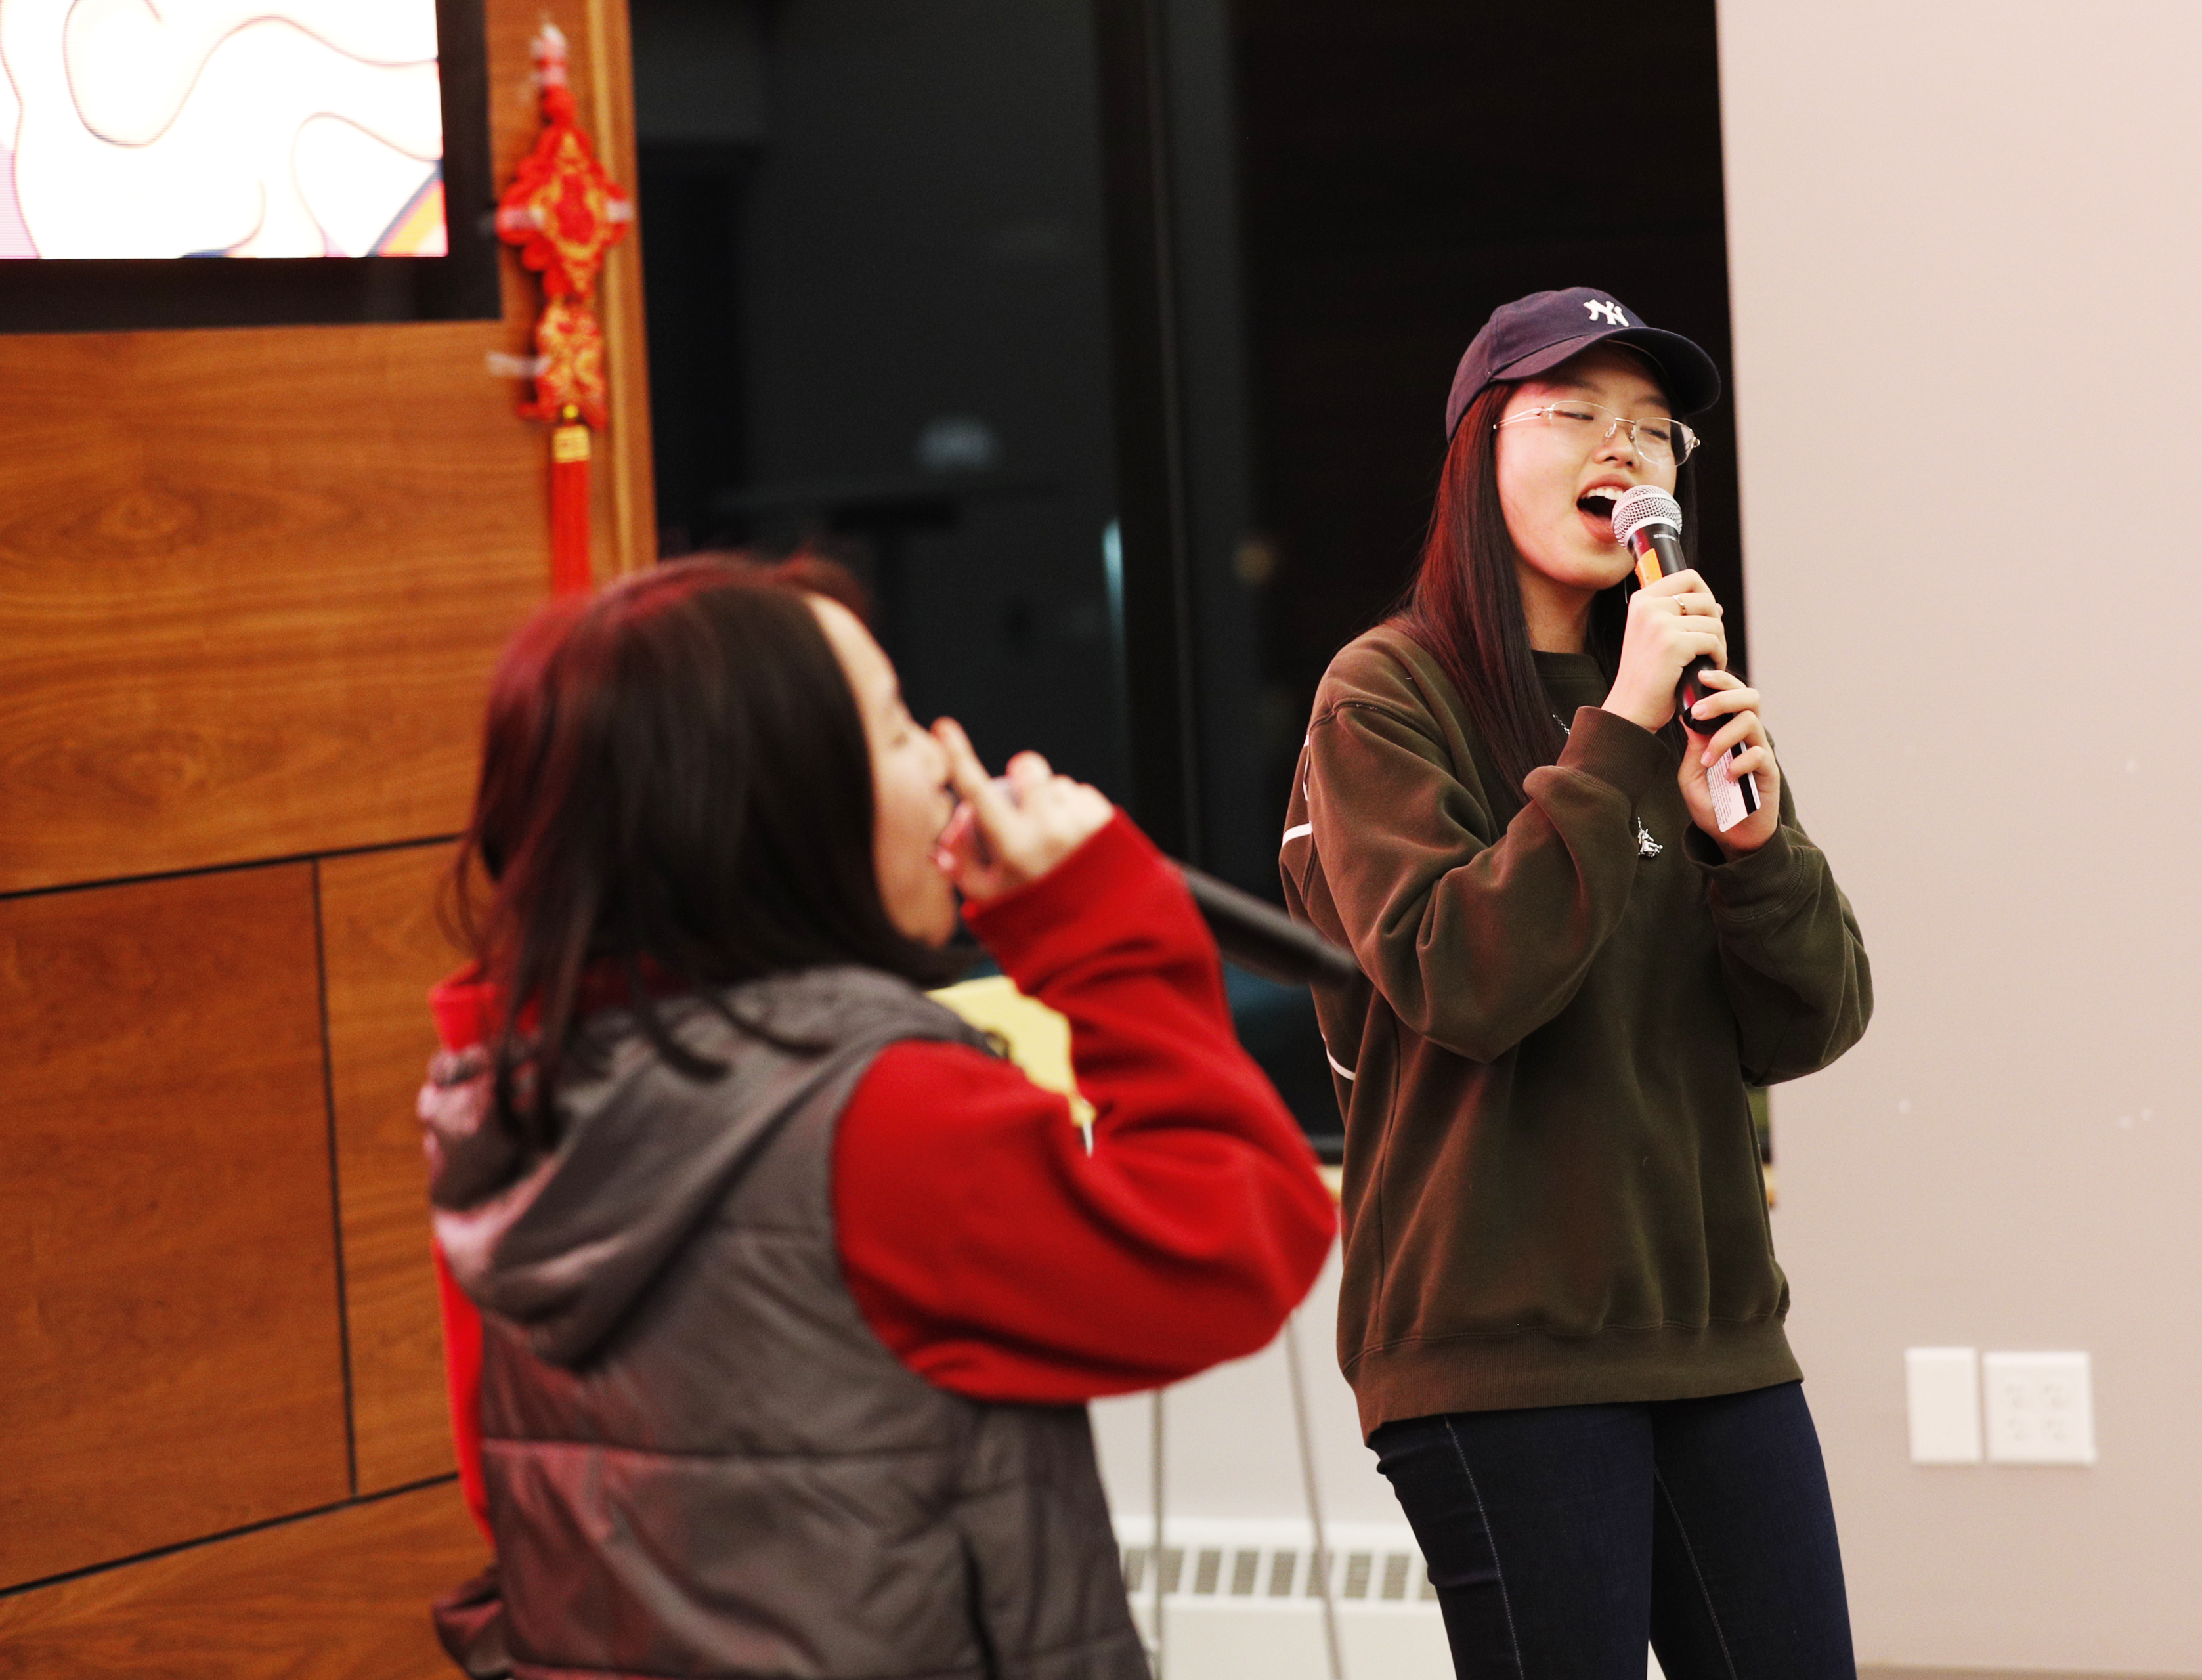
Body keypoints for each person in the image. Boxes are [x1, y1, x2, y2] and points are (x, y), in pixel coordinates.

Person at [420, 558, 1336, 1680]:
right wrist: (1093, 919)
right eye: (900, 728)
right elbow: (1238, 1237)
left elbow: (498, 1486)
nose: (949, 752)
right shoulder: (873, 1106)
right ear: (787, 811)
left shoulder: (509, 1091)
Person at [1279, 287, 1872, 1679]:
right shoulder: (1385, 695)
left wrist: (1753, 849)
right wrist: (1614, 736)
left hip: (1717, 1335)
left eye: (1655, 432)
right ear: (1481, 447)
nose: (1626, 450)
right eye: (1578, 414)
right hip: (1502, 1352)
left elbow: (1815, 1015)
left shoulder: (1676, 697)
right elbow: (1465, 974)